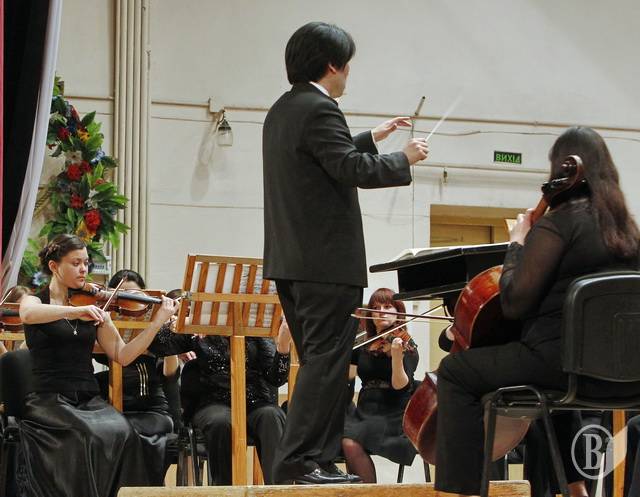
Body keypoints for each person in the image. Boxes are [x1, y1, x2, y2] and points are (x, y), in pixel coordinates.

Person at [262, 21, 429, 485]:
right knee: (326, 365)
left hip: (293, 261)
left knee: (325, 364)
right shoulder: (322, 108)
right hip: (326, 263)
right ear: (333, 64)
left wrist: (373, 137)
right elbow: (350, 168)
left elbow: (322, 157)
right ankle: (298, 462)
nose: (349, 73)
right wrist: (403, 159)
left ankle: (314, 459)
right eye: (348, 64)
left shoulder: (284, 109)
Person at [434, 126, 640, 497]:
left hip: (561, 368)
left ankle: (462, 492)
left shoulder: (558, 224)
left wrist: (517, 244)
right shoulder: (629, 232)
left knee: (454, 372)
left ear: (562, 169)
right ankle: (576, 488)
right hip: (628, 377)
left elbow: (514, 303)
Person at [17, 234, 179, 497]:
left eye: (86, 263)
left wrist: (157, 322)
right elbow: (27, 314)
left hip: (87, 399)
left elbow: (123, 355)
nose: (83, 269)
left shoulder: (94, 307)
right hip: (47, 398)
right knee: (87, 434)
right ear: (54, 266)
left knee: (124, 432)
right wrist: (74, 311)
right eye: (75, 263)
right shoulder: (37, 301)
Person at [147, 315, 292, 485]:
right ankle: (224, 489)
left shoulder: (254, 328)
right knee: (221, 421)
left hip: (254, 402)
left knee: (272, 416)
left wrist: (283, 347)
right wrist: (179, 323)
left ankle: (278, 489)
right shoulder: (203, 323)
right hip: (212, 402)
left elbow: (277, 379)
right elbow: (157, 345)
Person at [93, 269, 180, 485]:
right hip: (112, 407)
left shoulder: (154, 327)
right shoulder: (104, 323)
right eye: (124, 296)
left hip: (151, 406)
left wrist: (171, 340)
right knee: (110, 434)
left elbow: (170, 374)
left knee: (136, 434)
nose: (129, 303)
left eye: (135, 296)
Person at [342, 288, 418, 483]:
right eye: (376, 308)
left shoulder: (406, 345)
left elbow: (400, 386)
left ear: (398, 312)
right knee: (338, 431)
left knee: (350, 441)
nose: (381, 312)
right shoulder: (363, 346)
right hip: (365, 409)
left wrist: (397, 357)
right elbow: (349, 381)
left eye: (387, 307)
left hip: (392, 412)